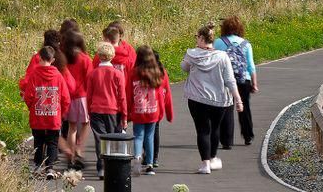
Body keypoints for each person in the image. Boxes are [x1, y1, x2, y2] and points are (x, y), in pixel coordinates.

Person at [184, 24, 243, 174]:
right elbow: (230, 79)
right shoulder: (222, 56)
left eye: (197, 37)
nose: (196, 39)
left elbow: (184, 67)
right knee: (215, 129)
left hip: (197, 99)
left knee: (202, 130)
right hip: (219, 100)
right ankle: (213, 158)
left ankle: (205, 164)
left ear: (202, 38)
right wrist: (238, 99)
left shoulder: (192, 54)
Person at [22, 44, 70, 179]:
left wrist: (32, 108)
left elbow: (28, 96)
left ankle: (37, 166)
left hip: (37, 116)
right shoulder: (58, 76)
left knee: (38, 142)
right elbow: (66, 98)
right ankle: (50, 168)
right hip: (54, 116)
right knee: (52, 143)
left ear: (39, 58)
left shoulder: (34, 75)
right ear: (53, 60)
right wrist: (62, 113)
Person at [129, 47, 174, 176]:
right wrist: (166, 113)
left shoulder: (133, 73)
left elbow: (128, 92)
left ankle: (137, 157)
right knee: (150, 137)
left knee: (138, 136)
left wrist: (127, 112)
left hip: (138, 110)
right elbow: (164, 95)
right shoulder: (159, 72)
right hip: (153, 110)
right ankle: (150, 164)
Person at [85, 41, 129, 174]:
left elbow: (89, 95)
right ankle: (111, 165)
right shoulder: (117, 74)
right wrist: (125, 116)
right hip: (113, 110)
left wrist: (89, 111)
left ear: (99, 55)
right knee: (112, 138)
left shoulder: (93, 74)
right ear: (112, 56)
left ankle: (101, 166)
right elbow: (122, 97)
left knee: (100, 139)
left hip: (96, 109)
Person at [216, 16, 259, 146]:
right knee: (244, 108)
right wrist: (254, 83)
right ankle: (248, 136)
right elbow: (251, 65)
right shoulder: (246, 44)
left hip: (225, 79)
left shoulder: (218, 42)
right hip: (243, 79)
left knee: (226, 109)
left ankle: (226, 140)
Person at [61, 28, 93, 168]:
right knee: (86, 124)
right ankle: (79, 149)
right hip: (82, 96)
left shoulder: (64, 58)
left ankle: (71, 154)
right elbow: (90, 79)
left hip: (69, 96)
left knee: (71, 128)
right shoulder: (85, 59)